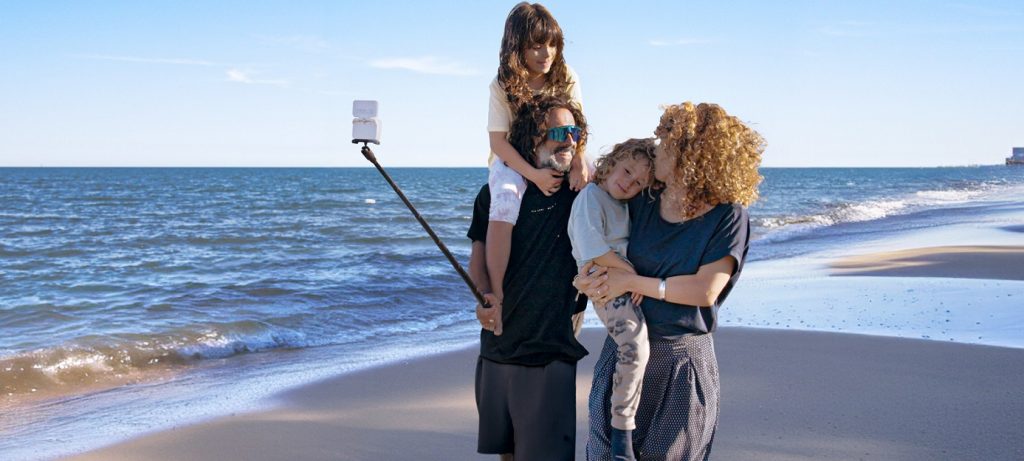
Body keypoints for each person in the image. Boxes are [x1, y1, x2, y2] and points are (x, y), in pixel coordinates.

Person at [577, 102, 764, 460]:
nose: (656, 147)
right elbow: (600, 239)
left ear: (689, 153)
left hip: (681, 364)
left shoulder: (728, 217)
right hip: (624, 353)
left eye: (664, 141)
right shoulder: (643, 198)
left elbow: (705, 290)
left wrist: (632, 282)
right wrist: (592, 279)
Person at [468, 94, 590, 461]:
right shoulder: (494, 193)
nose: (569, 140)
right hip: (499, 341)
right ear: (533, 137)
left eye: (575, 131)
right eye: (560, 131)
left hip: (552, 344)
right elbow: (477, 261)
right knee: (508, 453)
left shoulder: (582, 192)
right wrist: (485, 298)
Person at [485, 2, 589, 329]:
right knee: (503, 201)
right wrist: (533, 176)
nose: (547, 53)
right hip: (515, 159)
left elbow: (579, 126)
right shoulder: (502, 83)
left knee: (599, 184)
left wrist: (581, 160)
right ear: (518, 46)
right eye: (537, 45)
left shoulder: (565, 75)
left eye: (553, 44)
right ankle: (498, 290)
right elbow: (498, 142)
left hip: (561, 149)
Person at [566, 138, 657, 460]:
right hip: (603, 280)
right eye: (627, 171)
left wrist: (633, 278)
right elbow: (592, 246)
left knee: (636, 346)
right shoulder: (591, 196)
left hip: (621, 279)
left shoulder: (622, 203)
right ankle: (622, 436)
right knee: (634, 344)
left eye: (638, 183)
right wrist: (631, 274)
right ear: (613, 161)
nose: (628, 182)